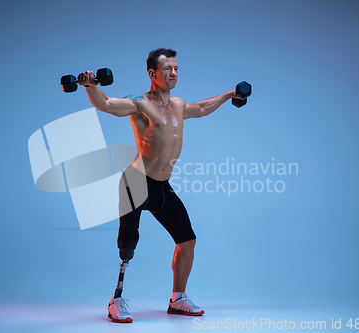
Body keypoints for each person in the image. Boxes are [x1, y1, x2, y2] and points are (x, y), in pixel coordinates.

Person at [78, 48, 245, 323]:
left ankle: (177, 299)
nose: (174, 73)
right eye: (168, 69)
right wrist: (90, 85)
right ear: (153, 74)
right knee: (128, 245)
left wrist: (228, 95)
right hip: (135, 182)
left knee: (187, 240)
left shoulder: (178, 104)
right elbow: (107, 104)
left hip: (162, 188)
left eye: (176, 69)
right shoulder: (139, 103)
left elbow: (202, 108)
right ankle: (115, 300)